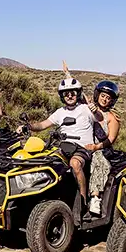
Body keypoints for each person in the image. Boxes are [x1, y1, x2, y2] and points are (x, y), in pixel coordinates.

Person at [18, 77, 103, 208]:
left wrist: (95, 111)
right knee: (44, 162)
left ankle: (83, 201)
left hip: (82, 148)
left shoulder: (86, 109)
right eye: (66, 93)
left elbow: (99, 118)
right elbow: (42, 125)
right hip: (64, 147)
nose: (70, 96)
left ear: (78, 94)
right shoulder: (60, 112)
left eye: (73, 93)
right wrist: (28, 126)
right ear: (62, 96)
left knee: (75, 163)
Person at [84, 80, 121, 215]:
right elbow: (80, 94)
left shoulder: (113, 118)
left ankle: (95, 197)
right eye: (103, 96)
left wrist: (96, 147)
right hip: (84, 144)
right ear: (97, 95)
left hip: (101, 149)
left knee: (98, 162)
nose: (104, 99)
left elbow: (110, 139)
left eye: (108, 98)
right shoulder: (89, 108)